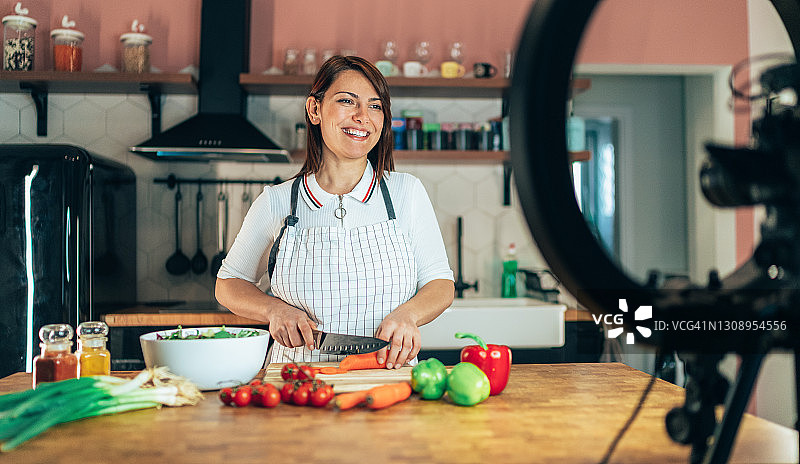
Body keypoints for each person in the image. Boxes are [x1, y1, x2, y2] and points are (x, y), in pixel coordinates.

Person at [215, 55, 455, 369]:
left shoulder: (405, 192)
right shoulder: (278, 201)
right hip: (298, 379)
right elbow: (229, 284)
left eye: (375, 106)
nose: (362, 116)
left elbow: (440, 284)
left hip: (388, 377)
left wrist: (409, 315)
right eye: (347, 101)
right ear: (314, 109)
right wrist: (273, 310)